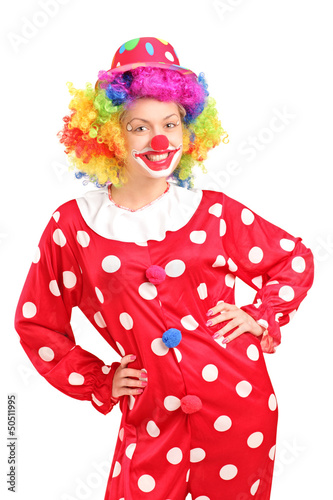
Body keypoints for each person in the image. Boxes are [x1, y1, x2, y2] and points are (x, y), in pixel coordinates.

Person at [15, 37, 314, 500]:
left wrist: (260, 315)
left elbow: (292, 259)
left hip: (239, 406)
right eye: (139, 127)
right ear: (109, 135)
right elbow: (37, 323)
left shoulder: (213, 212)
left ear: (189, 130)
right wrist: (101, 378)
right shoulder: (73, 225)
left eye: (171, 124)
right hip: (150, 414)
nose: (160, 140)